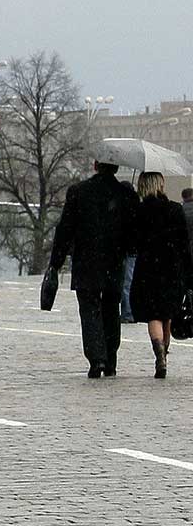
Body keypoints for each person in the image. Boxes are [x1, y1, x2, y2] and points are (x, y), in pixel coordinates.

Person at [46, 160, 139, 378]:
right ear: (116, 168)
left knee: (89, 310)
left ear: (96, 166)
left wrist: (56, 263)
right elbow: (134, 230)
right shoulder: (124, 194)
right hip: (114, 261)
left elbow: (65, 229)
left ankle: (96, 358)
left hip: (86, 261)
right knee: (111, 309)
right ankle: (111, 359)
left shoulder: (79, 192)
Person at [130, 173, 192, 378]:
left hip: (148, 268)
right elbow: (184, 244)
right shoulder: (175, 209)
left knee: (153, 314)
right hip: (172, 268)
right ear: (161, 185)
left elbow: (133, 242)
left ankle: (160, 357)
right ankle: (164, 352)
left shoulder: (139, 211)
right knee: (167, 314)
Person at [120, 180, 138, 323]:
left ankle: (127, 312)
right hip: (134, 249)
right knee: (129, 281)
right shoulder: (136, 206)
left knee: (126, 282)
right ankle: (129, 311)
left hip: (125, 249)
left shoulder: (122, 208)